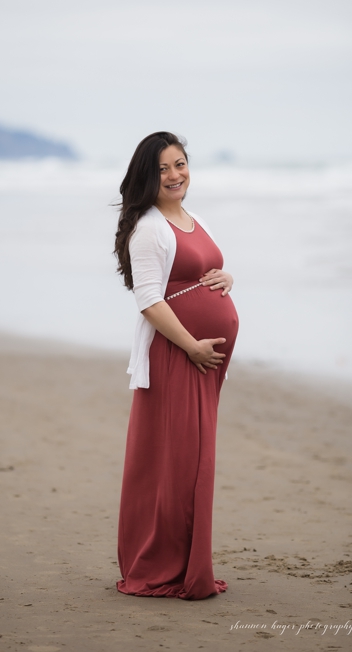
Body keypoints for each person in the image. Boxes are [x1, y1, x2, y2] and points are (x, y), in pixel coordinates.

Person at [112, 132, 237, 600]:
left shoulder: (193, 218)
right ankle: (162, 565)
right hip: (176, 355)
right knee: (177, 462)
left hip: (201, 359)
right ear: (148, 176)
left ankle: (187, 562)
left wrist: (226, 277)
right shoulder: (148, 227)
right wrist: (191, 347)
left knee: (193, 460)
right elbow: (149, 300)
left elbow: (199, 275)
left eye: (179, 164)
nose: (174, 175)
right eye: (162, 168)